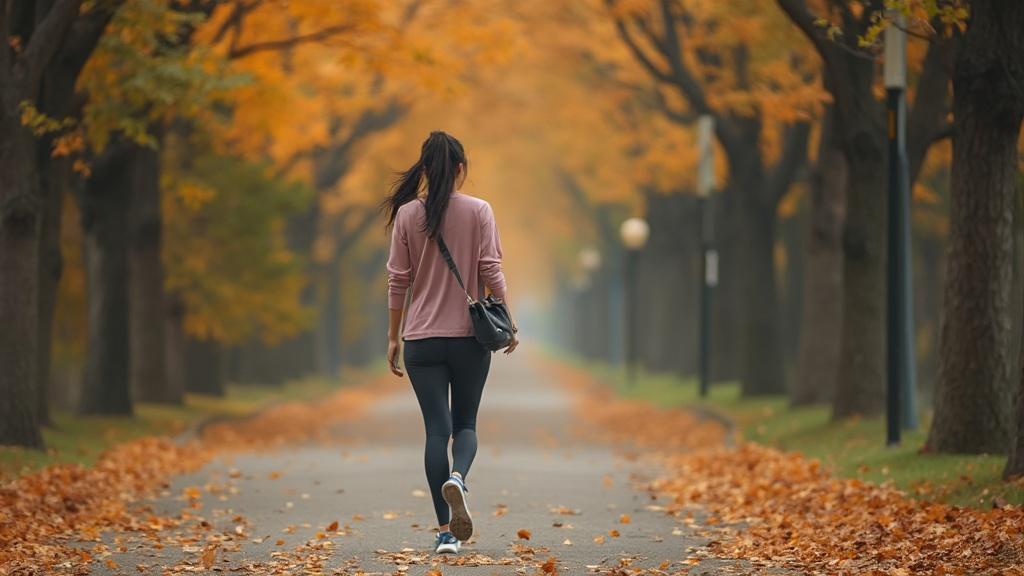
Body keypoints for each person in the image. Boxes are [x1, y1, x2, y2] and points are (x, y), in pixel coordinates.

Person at [383, 131, 518, 555]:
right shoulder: (480, 210)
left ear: (424, 169)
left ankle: (445, 533)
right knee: (466, 426)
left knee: (435, 431)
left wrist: (393, 336)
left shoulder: (407, 214)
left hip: (421, 340)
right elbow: (490, 269)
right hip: (468, 339)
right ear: (460, 168)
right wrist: (509, 320)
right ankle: (458, 478)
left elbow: (398, 280)